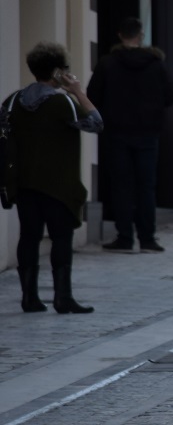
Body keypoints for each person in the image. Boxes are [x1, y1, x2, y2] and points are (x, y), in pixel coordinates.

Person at [5, 43, 103, 314]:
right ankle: (63, 297)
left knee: (29, 237)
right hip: (59, 185)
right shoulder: (62, 103)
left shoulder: (14, 101)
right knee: (61, 238)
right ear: (58, 72)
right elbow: (96, 123)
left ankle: (30, 297)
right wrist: (78, 92)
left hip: (24, 182)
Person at [88, 16, 173, 253]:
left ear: (119, 34)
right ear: (141, 35)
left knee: (121, 185)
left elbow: (92, 95)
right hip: (148, 133)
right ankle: (148, 238)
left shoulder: (107, 63)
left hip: (117, 133)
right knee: (146, 186)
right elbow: (170, 95)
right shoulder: (156, 64)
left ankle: (124, 236)